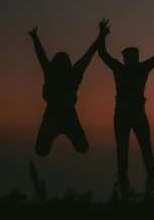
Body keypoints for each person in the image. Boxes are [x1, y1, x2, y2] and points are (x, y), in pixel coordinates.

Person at [98, 18, 154, 189]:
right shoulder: (138, 68)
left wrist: (102, 35)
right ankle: (141, 177)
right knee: (139, 146)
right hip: (132, 112)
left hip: (128, 112)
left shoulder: (124, 68)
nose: (132, 59)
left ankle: (133, 178)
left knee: (130, 147)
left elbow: (102, 53)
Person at [28, 25, 105, 156]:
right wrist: (101, 36)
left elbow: (41, 56)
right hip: (67, 114)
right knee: (82, 148)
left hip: (53, 114)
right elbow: (89, 54)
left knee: (42, 151)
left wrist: (35, 39)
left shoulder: (51, 72)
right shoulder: (72, 74)